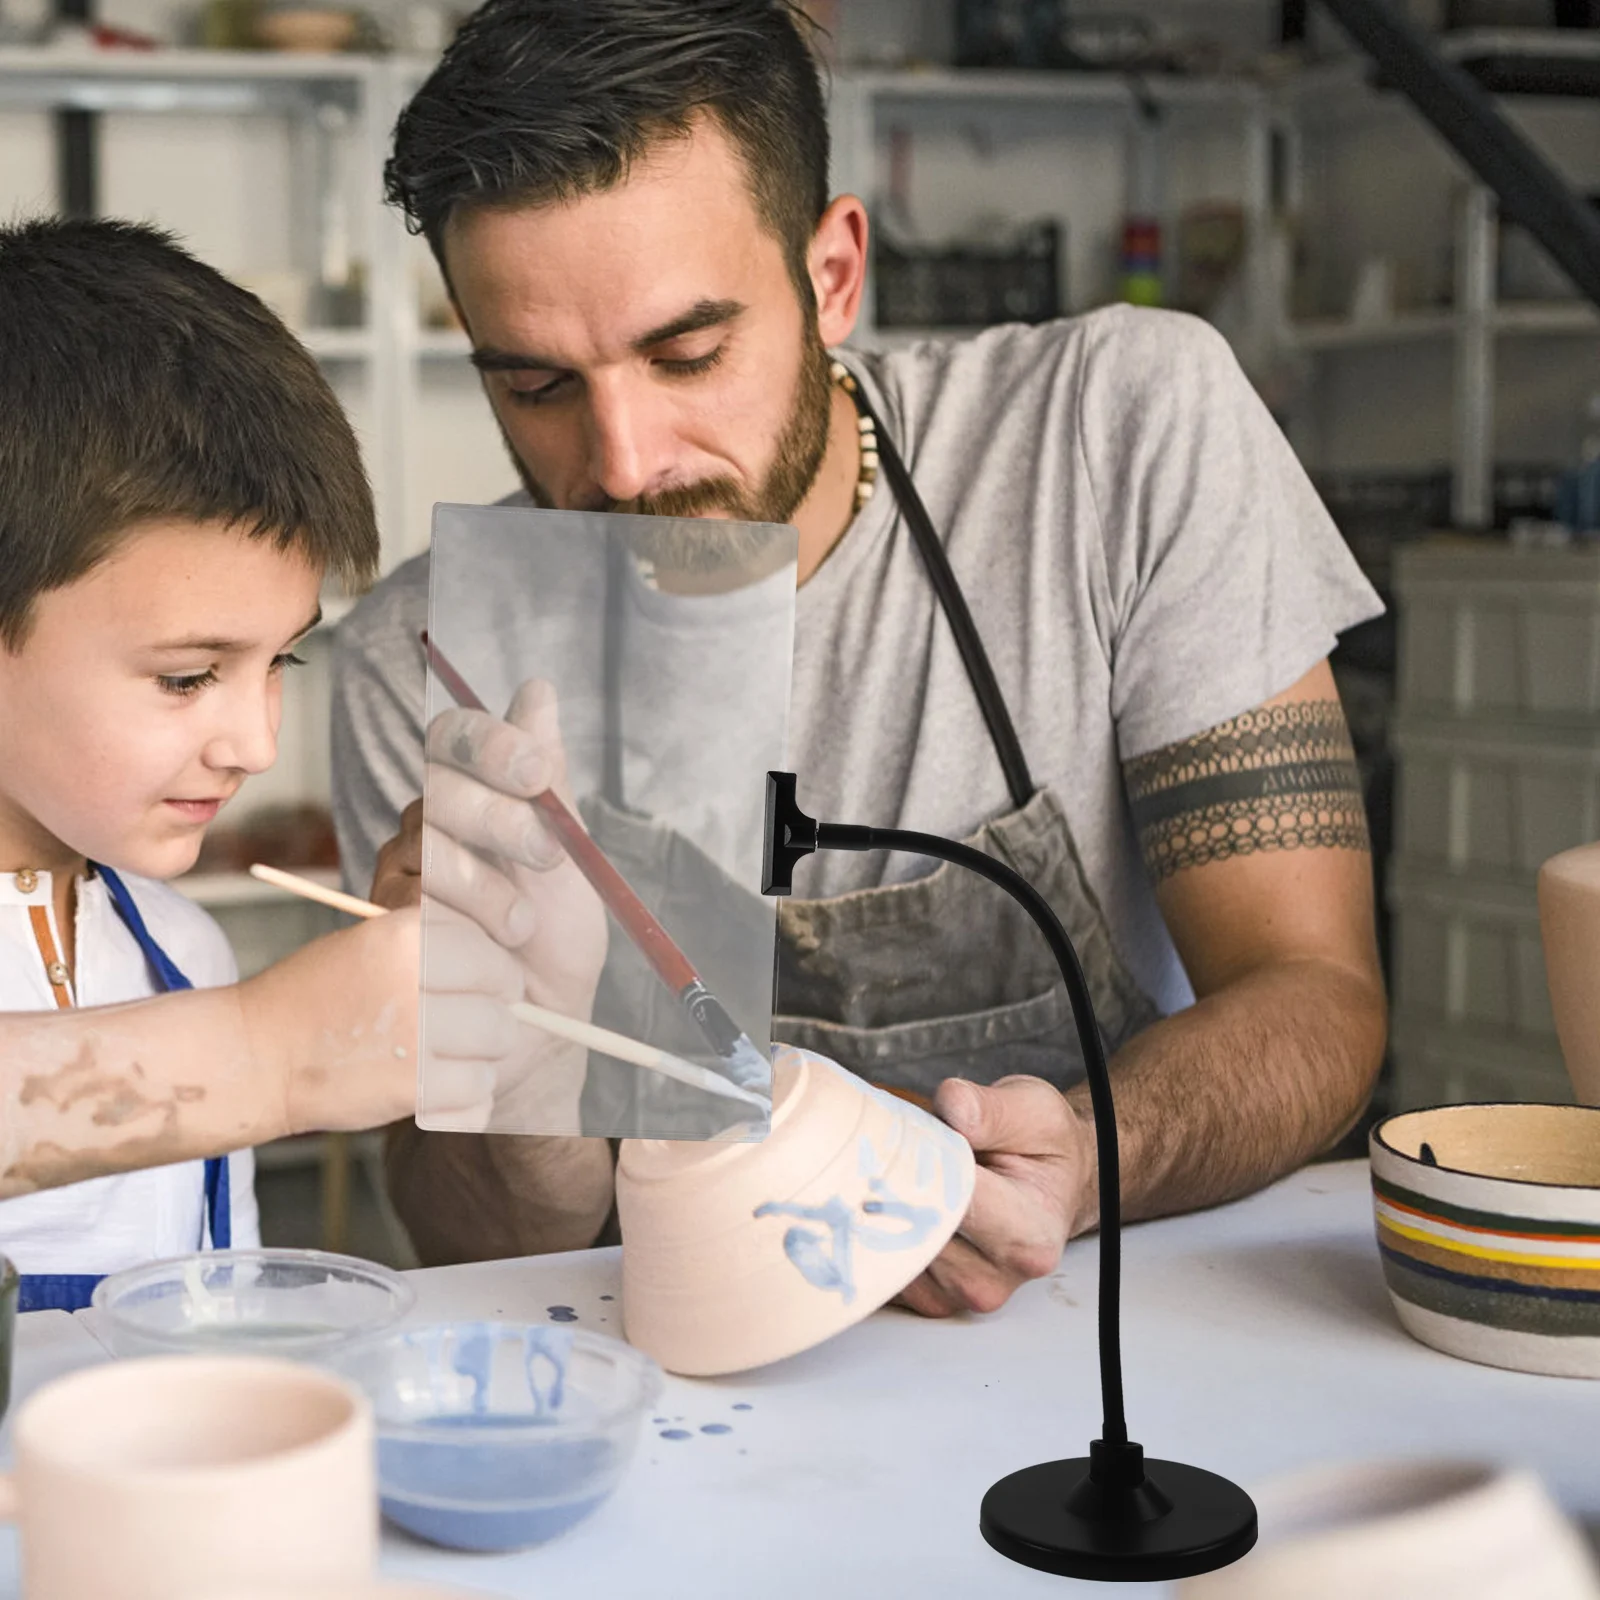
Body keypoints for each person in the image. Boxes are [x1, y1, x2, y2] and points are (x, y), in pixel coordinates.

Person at [332, 0, 1390, 1311]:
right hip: (696, 1371)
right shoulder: (428, 663)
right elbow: (490, 1258)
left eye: (688, 353)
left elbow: (1316, 998)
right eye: (537, 387)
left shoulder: (1114, 435)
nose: (621, 464)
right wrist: (506, 1062)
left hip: (1110, 1310)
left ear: (833, 274)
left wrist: (1087, 1157)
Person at [0, 217, 428, 1310]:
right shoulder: (229, 1020)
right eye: (188, 677)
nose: (256, 743)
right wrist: (269, 1054)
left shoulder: (183, 951)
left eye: (279, 659)